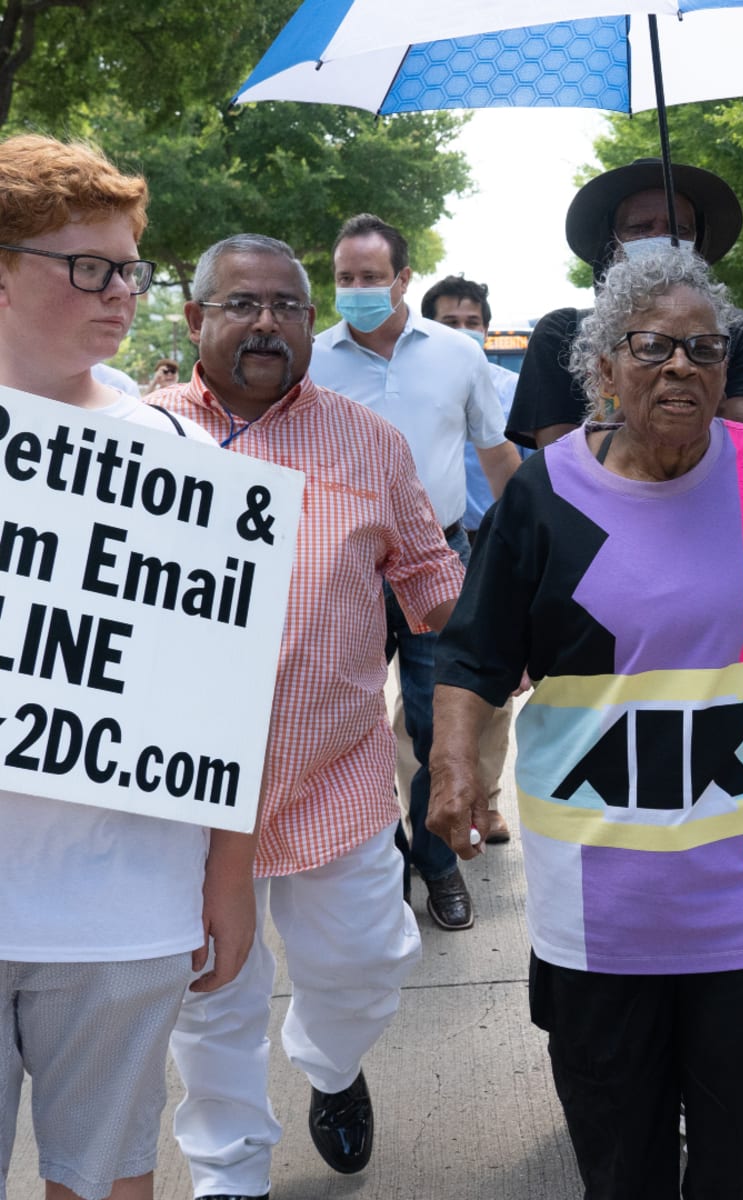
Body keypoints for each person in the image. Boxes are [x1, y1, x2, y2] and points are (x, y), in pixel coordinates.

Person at [428, 245, 743, 1199]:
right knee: (620, 1152)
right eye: (652, 347)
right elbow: (472, 657)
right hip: (605, 900)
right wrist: (452, 760)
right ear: (602, 369)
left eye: (703, 350)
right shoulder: (545, 498)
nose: (681, 367)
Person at [156, 234, 463, 1199]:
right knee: (208, 995)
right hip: (180, 793)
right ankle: (230, 1172)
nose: (266, 323)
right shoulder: (140, 435)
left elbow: (431, 585)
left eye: (288, 306)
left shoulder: (365, 441)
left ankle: (331, 1066)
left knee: (367, 963)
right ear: (195, 319)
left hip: (333, 772)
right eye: (241, 304)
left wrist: (539, 598)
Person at [0, 135, 255, 1200]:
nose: (120, 294)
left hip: (122, 903)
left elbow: (228, 693)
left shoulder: (182, 460)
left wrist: (229, 878)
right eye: (88, 267)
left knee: (108, 1185)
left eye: (130, 268)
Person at [310, 215, 520, 931]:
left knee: (439, 723)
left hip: (440, 559)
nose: (358, 291)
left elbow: (496, 458)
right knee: (351, 722)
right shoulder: (312, 361)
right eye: (346, 279)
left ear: (404, 280)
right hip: (345, 567)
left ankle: (436, 864)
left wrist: (525, 555)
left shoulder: (458, 355)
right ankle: (385, 857)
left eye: (372, 278)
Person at [506, 158, 743, 449]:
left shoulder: (741, 330)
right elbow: (560, 460)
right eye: (640, 227)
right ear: (612, 243)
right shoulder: (562, 333)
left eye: (679, 229)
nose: (661, 238)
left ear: (697, 244)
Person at [421, 274, 530, 846]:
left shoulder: (512, 391)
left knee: (495, 684)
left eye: (472, 323)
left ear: (487, 330)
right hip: (427, 546)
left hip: (492, 548)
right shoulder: (413, 386)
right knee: (426, 691)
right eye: (448, 322)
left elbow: (528, 474)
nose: (462, 333)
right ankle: (431, 808)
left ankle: (484, 804)